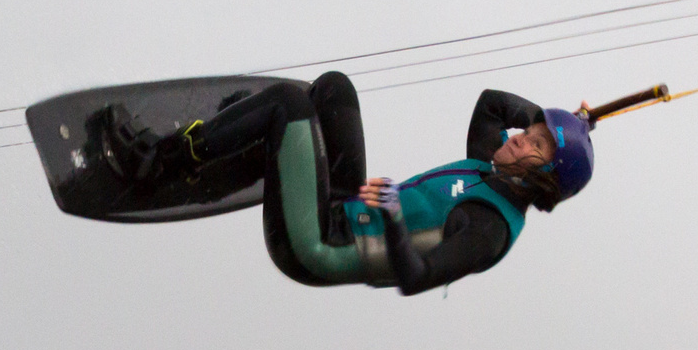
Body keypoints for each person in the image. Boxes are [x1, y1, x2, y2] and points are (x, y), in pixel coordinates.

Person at [91, 71, 593, 294]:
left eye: (535, 144)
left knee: (289, 104)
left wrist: (392, 218)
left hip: (318, 245)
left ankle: (157, 162)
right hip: (345, 206)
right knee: (333, 89)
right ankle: (256, 142)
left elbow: (417, 278)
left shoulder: (488, 227)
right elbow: (491, 103)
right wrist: (561, 124)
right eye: (528, 130)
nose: (519, 137)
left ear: (544, 176)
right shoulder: (490, 166)